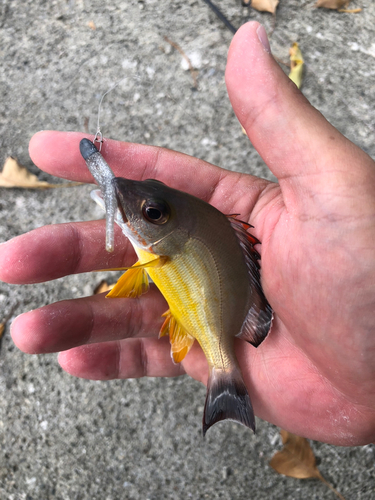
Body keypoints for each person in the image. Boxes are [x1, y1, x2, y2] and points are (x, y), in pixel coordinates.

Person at [1, 22, 374, 446]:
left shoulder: (160, 255)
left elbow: (147, 279)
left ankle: (224, 376)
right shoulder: (164, 246)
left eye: (153, 212)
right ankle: (225, 379)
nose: (126, 199)